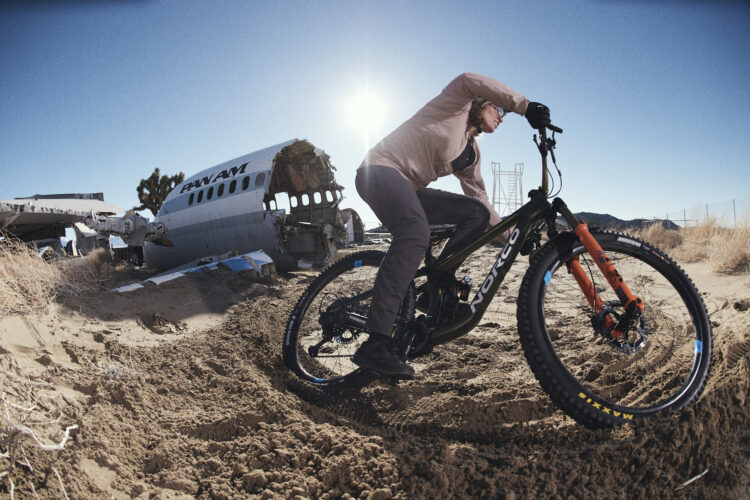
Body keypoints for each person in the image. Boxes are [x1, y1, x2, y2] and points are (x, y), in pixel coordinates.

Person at [351, 72, 551, 379]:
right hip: (380, 170)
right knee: (415, 233)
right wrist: (524, 106)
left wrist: (514, 237)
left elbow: (481, 199)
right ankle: (375, 342)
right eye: (499, 109)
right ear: (484, 102)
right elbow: (470, 78)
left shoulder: (470, 153)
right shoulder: (457, 101)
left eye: (505, 114)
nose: (501, 117)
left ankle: (437, 282)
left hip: (411, 189)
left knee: (475, 214)